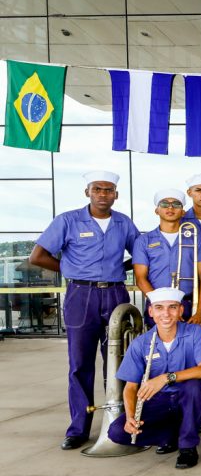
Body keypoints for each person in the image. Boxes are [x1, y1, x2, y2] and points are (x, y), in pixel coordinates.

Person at [31, 170, 139, 450]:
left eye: (108, 190)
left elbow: (141, 253)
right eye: (97, 189)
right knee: (80, 363)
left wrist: (120, 268)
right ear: (87, 192)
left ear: (116, 194)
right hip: (81, 295)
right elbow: (37, 257)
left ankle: (120, 424)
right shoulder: (67, 221)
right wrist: (71, 269)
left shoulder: (124, 223)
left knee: (119, 361)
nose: (103, 194)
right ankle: (79, 429)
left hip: (115, 292)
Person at [107, 287, 201, 469]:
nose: (166, 313)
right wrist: (130, 417)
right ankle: (170, 437)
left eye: (172, 307)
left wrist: (166, 377)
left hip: (189, 397)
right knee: (117, 432)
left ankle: (187, 447)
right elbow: (131, 387)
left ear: (181, 310)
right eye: (159, 308)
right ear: (150, 312)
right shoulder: (141, 343)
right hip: (159, 402)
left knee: (194, 388)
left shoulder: (195, 332)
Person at [133, 188, 201, 328]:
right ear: (157, 211)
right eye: (164, 204)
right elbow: (140, 279)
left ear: (183, 212)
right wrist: (162, 306)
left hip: (188, 304)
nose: (170, 208)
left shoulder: (196, 238)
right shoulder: (143, 241)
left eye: (176, 204)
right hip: (156, 304)